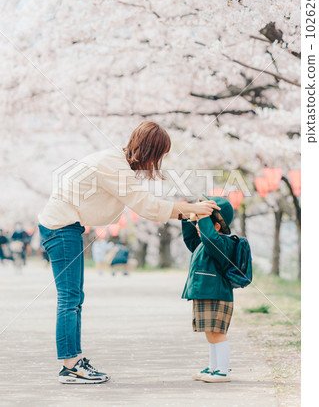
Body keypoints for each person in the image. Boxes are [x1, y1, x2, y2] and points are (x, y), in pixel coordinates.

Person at [38, 121, 219, 384]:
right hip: (60, 227)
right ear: (149, 151)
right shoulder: (113, 165)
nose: (159, 161)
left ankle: (73, 362)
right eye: (159, 155)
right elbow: (146, 206)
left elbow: (142, 202)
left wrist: (189, 210)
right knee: (70, 298)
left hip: (64, 226)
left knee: (74, 298)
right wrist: (192, 209)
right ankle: (71, 366)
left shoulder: (116, 162)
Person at [180, 196, 236, 383]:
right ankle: (214, 367)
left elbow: (210, 237)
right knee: (210, 333)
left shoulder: (220, 244)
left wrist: (203, 216)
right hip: (206, 293)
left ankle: (223, 370)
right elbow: (190, 240)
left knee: (218, 333)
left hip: (217, 294)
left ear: (217, 226)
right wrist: (189, 216)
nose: (198, 227)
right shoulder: (203, 244)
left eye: (203, 221)